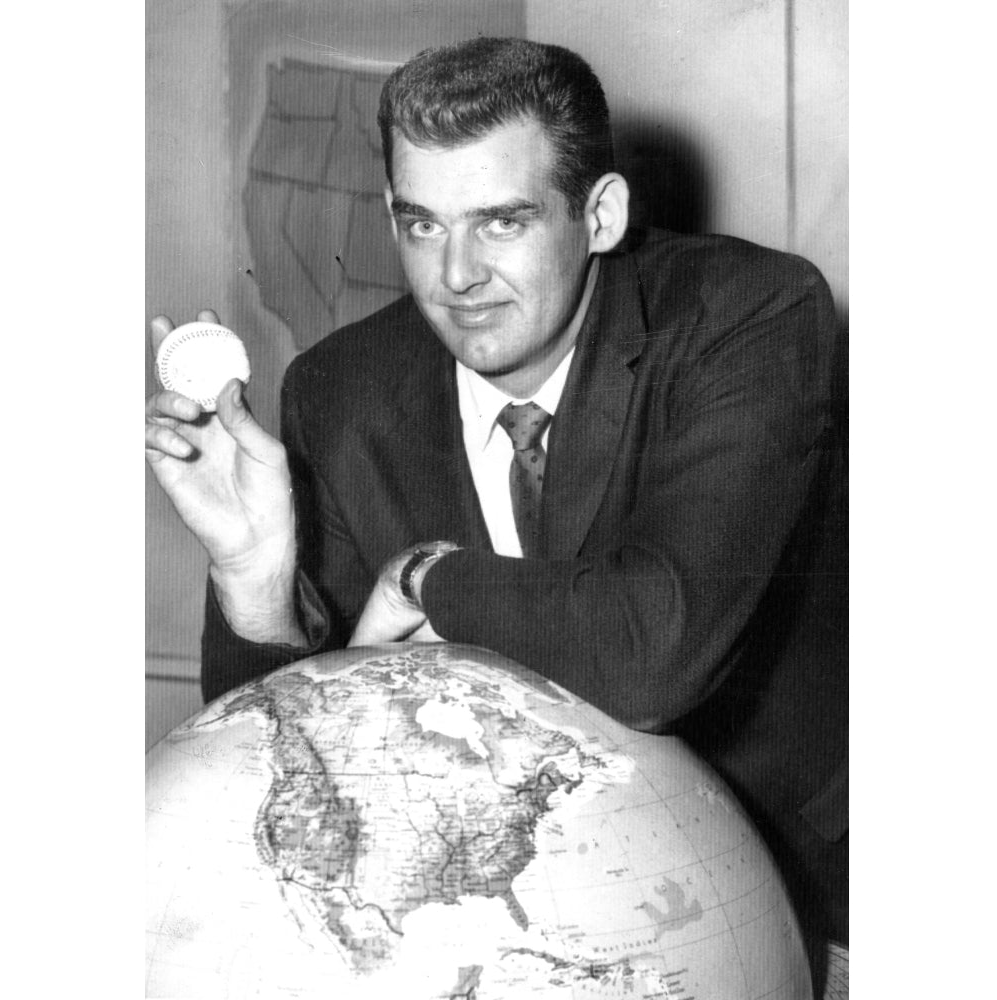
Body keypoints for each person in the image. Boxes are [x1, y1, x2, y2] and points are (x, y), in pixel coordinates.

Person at [145, 37, 846, 988]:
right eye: (420, 224)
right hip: (506, 927)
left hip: (786, 904)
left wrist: (425, 578)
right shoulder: (344, 389)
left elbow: (653, 656)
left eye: (502, 221)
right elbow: (284, 761)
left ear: (600, 214)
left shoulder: (745, 318)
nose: (457, 276)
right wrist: (254, 578)